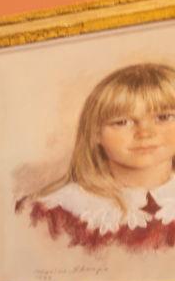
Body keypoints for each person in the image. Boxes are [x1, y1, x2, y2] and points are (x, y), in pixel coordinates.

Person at [19, 61, 175, 250]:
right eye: (122, 122)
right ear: (95, 133)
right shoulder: (52, 213)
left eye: (164, 117)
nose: (145, 133)